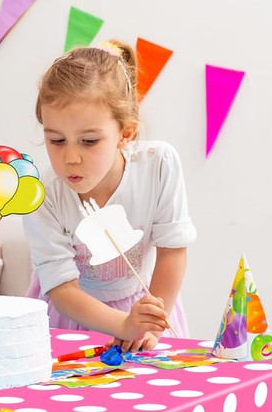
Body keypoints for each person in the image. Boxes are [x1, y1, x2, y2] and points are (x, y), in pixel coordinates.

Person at [23, 40, 196, 352]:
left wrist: (148, 325)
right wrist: (123, 325)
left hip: (146, 309)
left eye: (89, 141)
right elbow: (63, 289)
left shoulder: (159, 165)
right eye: (57, 140)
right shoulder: (40, 192)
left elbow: (173, 251)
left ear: (125, 133)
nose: (70, 158)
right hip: (69, 315)